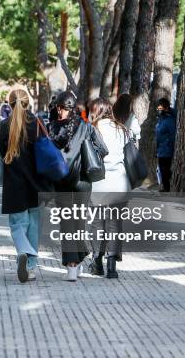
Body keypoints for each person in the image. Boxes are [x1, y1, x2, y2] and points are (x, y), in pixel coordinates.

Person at [48, 91, 108, 281]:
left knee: (67, 223)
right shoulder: (86, 126)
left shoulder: (52, 128)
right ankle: (79, 259)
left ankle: (72, 266)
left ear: (58, 108)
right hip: (83, 181)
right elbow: (103, 149)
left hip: (62, 181)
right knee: (79, 222)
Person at [0, 89, 52, 283]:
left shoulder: (4, 126)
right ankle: (29, 266)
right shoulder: (37, 124)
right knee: (34, 225)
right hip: (37, 182)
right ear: (28, 103)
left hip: (14, 183)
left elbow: (3, 153)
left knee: (18, 225)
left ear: (10, 104)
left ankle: (22, 250)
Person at [88, 97, 131, 279]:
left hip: (99, 183)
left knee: (98, 223)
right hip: (119, 184)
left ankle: (97, 261)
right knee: (115, 224)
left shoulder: (92, 129)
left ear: (96, 111)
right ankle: (112, 265)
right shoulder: (122, 129)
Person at [155, 98, 177, 192]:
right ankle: (165, 186)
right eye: (158, 107)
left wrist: (170, 146)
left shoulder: (169, 120)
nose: (159, 109)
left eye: (161, 107)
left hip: (167, 149)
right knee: (162, 169)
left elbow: (173, 135)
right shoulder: (160, 119)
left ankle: (166, 188)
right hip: (160, 149)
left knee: (165, 169)